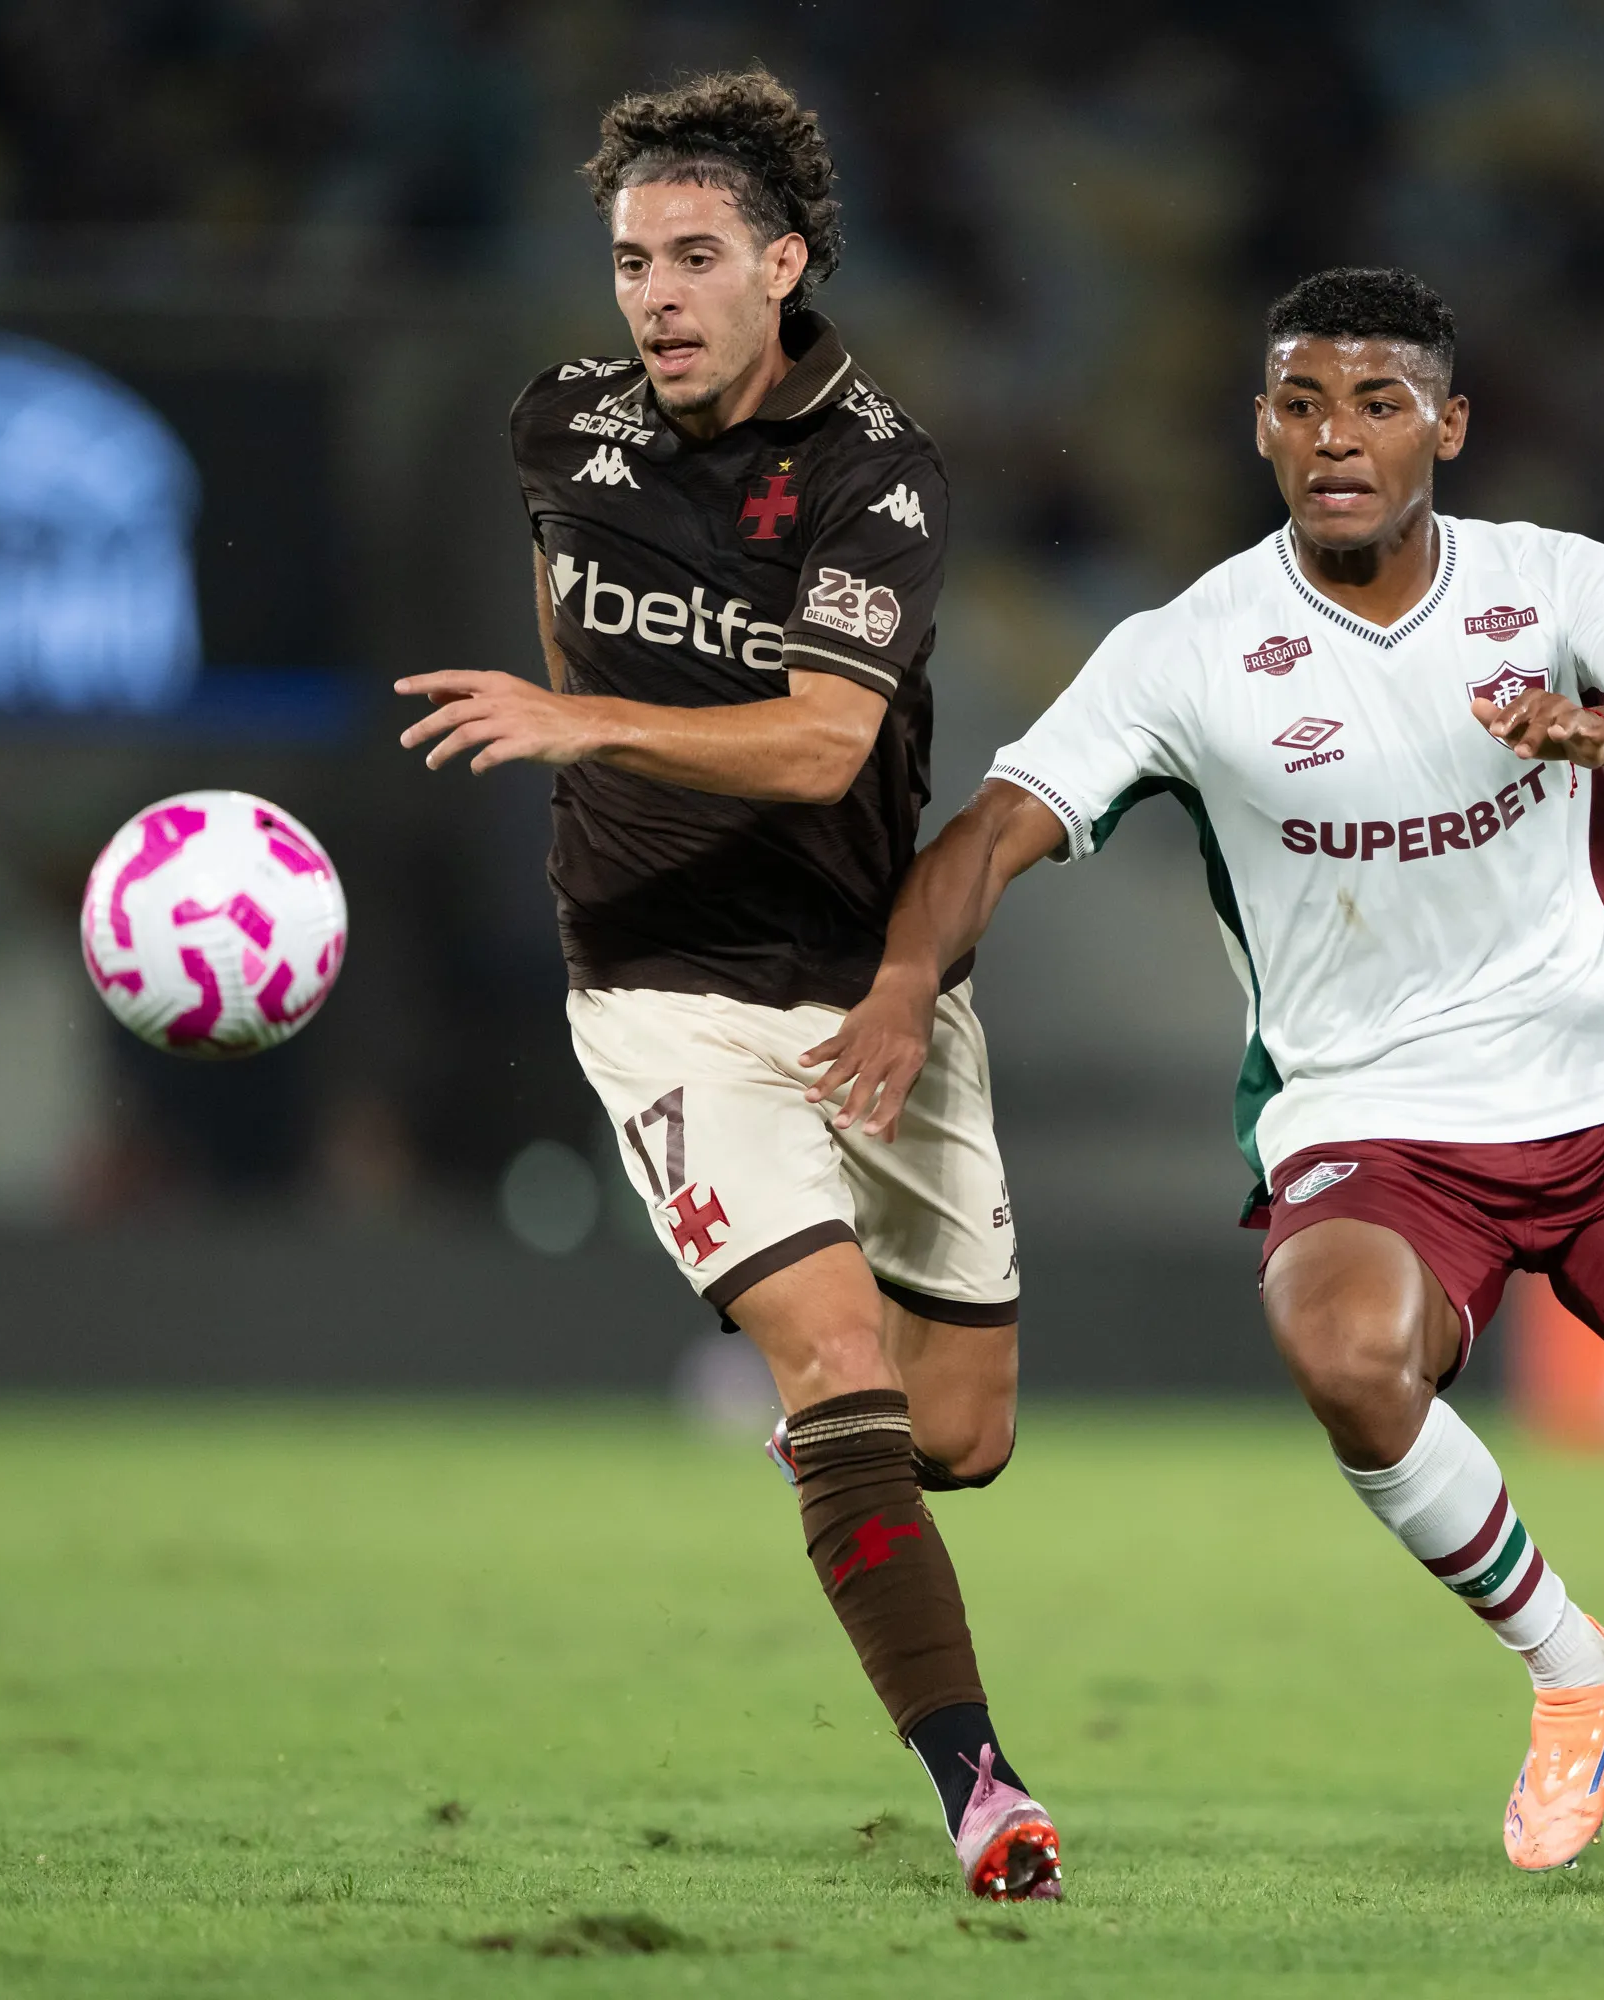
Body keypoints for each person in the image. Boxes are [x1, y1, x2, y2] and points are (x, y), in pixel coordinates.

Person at [807, 267, 1604, 1900]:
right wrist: (911, 981)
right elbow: (996, 828)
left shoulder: (1558, 582)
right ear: (1261, 428)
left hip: (1598, 1086)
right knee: (1344, 1351)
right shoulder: (1190, 649)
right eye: (1301, 403)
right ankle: (1574, 1664)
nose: (1336, 437)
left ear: (1449, 425)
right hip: (1366, 1115)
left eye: (1377, 402)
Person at [392, 67, 1056, 1903]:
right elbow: (567, 629)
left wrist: (573, 723)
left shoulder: (877, 474)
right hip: (660, 982)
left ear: (783, 266)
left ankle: (816, 1424)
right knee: (838, 1359)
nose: (654, 299)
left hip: (866, 989)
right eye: (628, 263)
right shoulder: (562, 428)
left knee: (958, 1433)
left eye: (694, 259)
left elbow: (829, 746)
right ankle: (983, 1791)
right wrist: (581, 762)